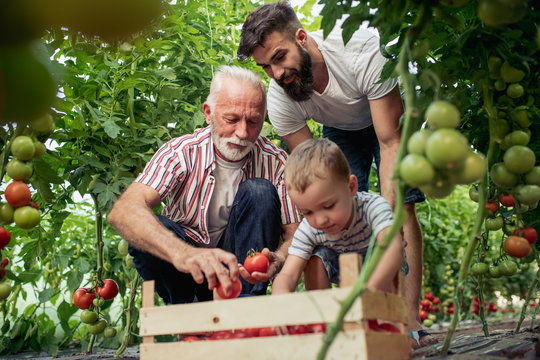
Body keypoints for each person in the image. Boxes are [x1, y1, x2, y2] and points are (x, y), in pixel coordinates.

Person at [237, 1, 433, 348]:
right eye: (265, 66)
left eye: (280, 58)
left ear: (302, 37)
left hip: (385, 113)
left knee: (401, 206)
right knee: (334, 214)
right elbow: (313, 168)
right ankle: (352, 318)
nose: (276, 74)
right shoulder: (282, 100)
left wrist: (383, 220)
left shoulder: (362, 51)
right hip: (340, 127)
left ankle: (410, 316)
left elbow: (389, 142)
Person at [108, 65, 300, 305]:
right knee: (149, 225)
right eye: (231, 119)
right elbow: (123, 211)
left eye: (253, 121)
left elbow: (294, 234)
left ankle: (245, 314)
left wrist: (280, 257)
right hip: (185, 273)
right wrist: (185, 254)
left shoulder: (276, 161)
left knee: (259, 191)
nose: (242, 132)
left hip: (241, 273)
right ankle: (186, 309)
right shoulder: (180, 153)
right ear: (208, 113)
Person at [272, 138, 404, 296]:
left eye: (328, 206)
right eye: (307, 212)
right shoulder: (309, 229)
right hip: (340, 266)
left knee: (389, 253)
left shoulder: (373, 207)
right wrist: (280, 297)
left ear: (351, 187)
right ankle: (324, 315)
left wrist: (368, 291)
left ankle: (389, 317)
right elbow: (288, 275)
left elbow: (393, 248)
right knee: (314, 258)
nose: (320, 220)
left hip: (379, 268)